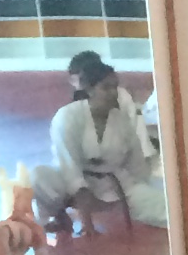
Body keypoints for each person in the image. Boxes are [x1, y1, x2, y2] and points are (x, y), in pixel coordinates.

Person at [39, 51, 165, 230]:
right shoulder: (67, 117)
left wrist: (142, 190)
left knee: (166, 207)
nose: (113, 93)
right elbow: (69, 166)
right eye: (106, 88)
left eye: (115, 87)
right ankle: (59, 217)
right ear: (90, 89)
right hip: (72, 189)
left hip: (115, 186)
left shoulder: (121, 120)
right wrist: (86, 219)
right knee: (40, 177)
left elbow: (136, 165)